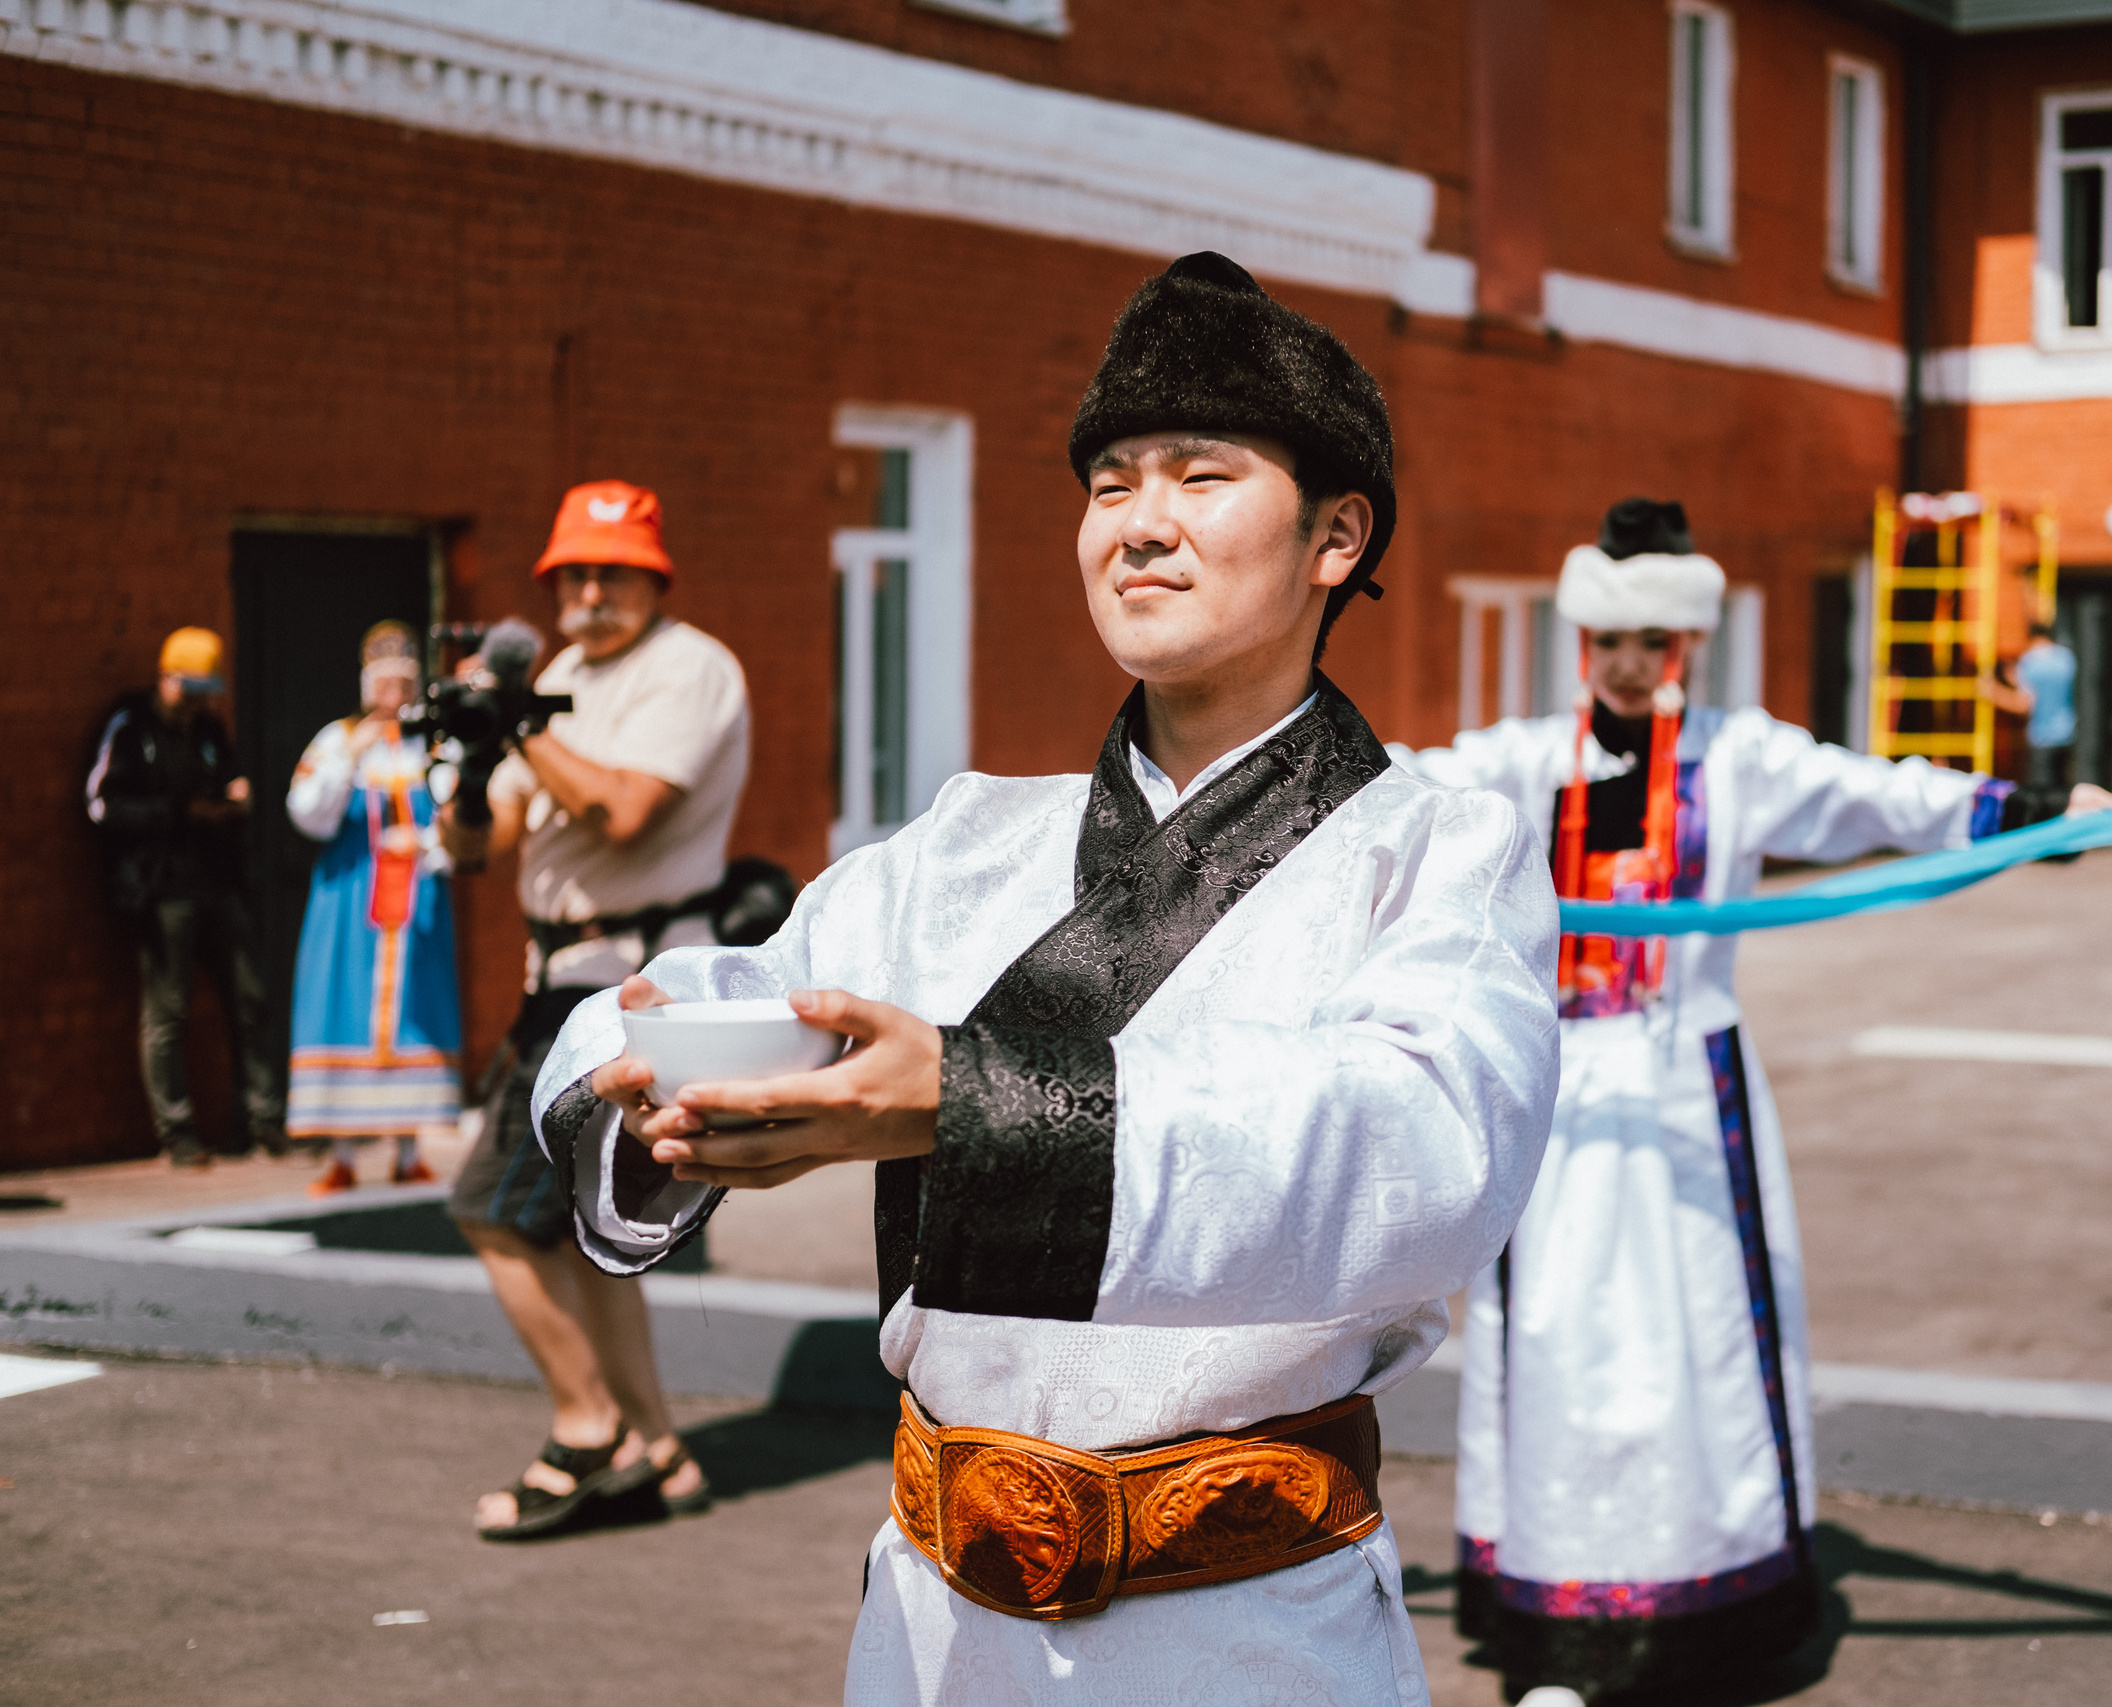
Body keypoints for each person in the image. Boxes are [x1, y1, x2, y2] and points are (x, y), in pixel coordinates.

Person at [528, 253, 1560, 1701]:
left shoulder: (1438, 849)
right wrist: (654, 1080)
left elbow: (1422, 1154)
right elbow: (697, 989)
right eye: (1109, 484)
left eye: (1200, 476)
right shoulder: (967, 842)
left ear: (1339, 534)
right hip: (936, 1625)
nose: (1138, 527)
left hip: (1251, 1635)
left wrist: (971, 1099)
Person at [1392, 499, 2112, 1705]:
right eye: (1608, 644)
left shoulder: (1741, 760)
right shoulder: (1523, 764)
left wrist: (2040, 815)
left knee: (1701, 1353)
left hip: (1689, 1103)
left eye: (1654, 646)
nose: (1629, 668)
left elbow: (1882, 799)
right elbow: (1394, 795)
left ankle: (1703, 1610)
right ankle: (1561, 1626)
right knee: (1558, 1347)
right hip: (1563, 1110)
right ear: (1582, 644)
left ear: (1686, 648)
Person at [439, 480, 748, 1538]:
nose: (587, 589)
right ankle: (659, 1453)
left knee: (489, 1211)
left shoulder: (690, 669)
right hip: (559, 985)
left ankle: (587, 1435)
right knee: (583, 1232)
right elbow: (479, 850)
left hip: (633, 987)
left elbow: (621, 813)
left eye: (611, 569)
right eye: (571, 571)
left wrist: (520, 725)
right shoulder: (565, 675)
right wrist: (473, 764)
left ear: (654, 576)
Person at [84, 626, 286, 1168]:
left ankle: (263, 1120)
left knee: (250, 999)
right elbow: (102, 806)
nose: (196, 702)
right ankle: (177, 1133)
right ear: (166, 678)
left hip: (217, 882)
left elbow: (233, 781)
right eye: (188, 690)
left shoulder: (208, 728)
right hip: (162, 889)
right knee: (167, 1011)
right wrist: (179, 813)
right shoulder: (130, 728)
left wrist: (231, 800)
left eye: (204, 692)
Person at [282, 621, 463, 1195]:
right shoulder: (338, 740)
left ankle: (409, 1152)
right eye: (383, 683)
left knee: (415, 1012)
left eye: (402, 682)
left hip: (416, 903)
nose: (394, 694)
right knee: (342, 1005)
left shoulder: (435, 745)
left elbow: (462, 819)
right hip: (351, 900)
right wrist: (350, 756)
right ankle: (341, 1155)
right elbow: (306, 812)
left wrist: (429, 848)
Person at [1990, 619, 2080, 805]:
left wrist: (1994, 692)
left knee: (2043, 797)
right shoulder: (2066, 658)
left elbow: (2024, 704)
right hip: (2066, 734)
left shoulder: (2030, 662)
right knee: (2064, 792)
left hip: (2041, 737)